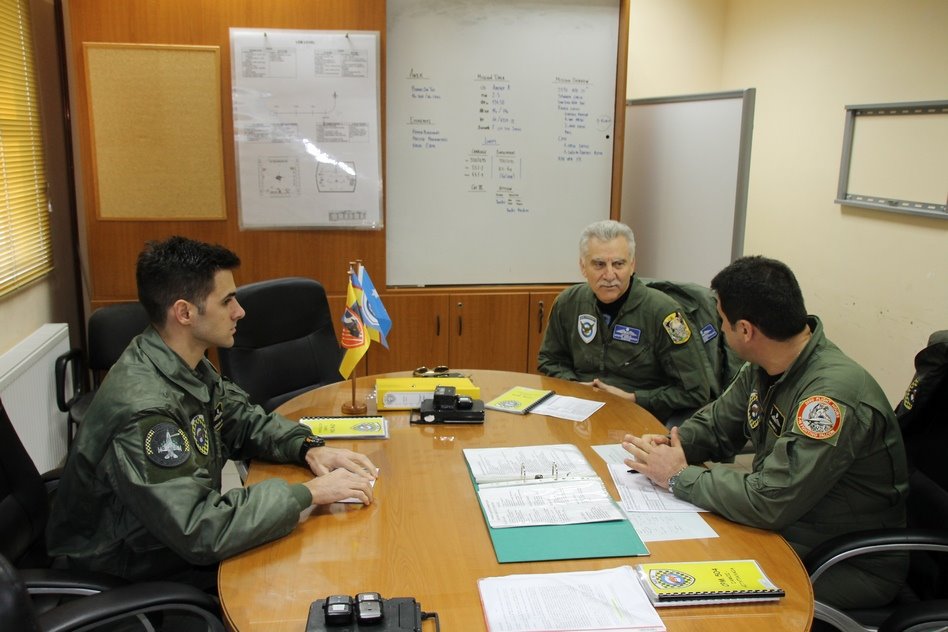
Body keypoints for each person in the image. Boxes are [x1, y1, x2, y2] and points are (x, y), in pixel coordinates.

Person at [47, 236, 377, 589]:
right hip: (128, 568)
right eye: (227, 301)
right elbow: (200, 529)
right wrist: (308, 493)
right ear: (185, 313)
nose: (240, 311)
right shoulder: (146, 412)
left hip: (161, 541)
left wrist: (308, 447)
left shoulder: (180, 361)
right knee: (299, 581)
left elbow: (242, 420)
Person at [623, 255, 908, 609]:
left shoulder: (829, 400)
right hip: (786, 532)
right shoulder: (767, 365)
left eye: (722, 321)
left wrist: (679, 476)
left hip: (844, 562)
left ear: (746, 330)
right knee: (664, 560)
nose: (720, 329)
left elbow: (770, 500)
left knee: (690, 592)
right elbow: (717, 423)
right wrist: (674, 446)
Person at [537, 219, 714, 422]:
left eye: (618, 264)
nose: (609, 275)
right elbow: (550, 361)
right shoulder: (568, 303)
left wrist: (634, 398)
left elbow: (695, 391)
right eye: (599, 264)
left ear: (632, 265)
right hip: (578, 412)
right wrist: (574, 385)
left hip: (640, 418)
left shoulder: (664, 313)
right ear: (583, 266)